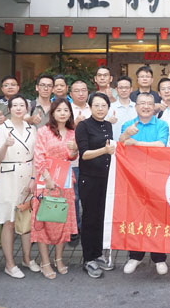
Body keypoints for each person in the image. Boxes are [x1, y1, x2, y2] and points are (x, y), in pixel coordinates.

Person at [120, 92, 169, 275]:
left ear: (154, 106)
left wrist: (136, 142)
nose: (146, 106)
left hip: (157, 177)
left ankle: (159, 258)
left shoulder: (162, 125)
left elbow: (161, 145)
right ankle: (135, 256)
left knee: (158, 217)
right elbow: (122, 145)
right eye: (142, 103)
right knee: (135, 217)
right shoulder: (128, 125)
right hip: (134, 178)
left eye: (149, 103)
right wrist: (126, 135)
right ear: (136, 106)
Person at [0, 95, 39, 279]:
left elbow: (36, 156)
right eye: (15, 105)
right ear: (9, 108)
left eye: (22, 105)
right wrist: (5, 145)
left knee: (26, 219)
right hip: (9, 176)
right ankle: (9, 264)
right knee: (9, 221)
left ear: (27, 108)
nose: (18, 108)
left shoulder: (31, 128)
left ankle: (27, 258)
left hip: (28, 175)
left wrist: (33, 179)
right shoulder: (2, 129)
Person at [31, 98, 79, 280]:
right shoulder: (43, 131)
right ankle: (45, 262)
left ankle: (59, 259)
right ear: (52, 113)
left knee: (62, 220)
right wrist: (48, 179)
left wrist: (75, 150)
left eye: (66, 110)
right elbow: (39, 157)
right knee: (44, 220)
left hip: (65, 182)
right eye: (59, 110)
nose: (62, 113)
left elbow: (71, 157)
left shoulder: (72, 132)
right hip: (46, 182)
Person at [75, 93, 115, 279]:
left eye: (103, 105)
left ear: (108, 108)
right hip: (89, 179)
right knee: (89, 219)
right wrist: (104, 150)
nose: (100, 109)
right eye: (96, 105)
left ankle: (98, 254)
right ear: (90, 107)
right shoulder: (83, 126)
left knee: (101, 218)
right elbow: (84, 154)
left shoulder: (108, 125)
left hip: (105, 179)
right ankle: (88, 259)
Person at [69, 79, 92, 244]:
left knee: (89, 196)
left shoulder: (94, 108)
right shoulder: (66, 109)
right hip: (72, 162)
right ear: (70, 94)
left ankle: (87, 227)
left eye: (83, 90)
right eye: (77, 90)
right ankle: (74, 228)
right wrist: (74, 124)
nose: (81, 93)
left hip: (91, 160)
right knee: (74, 197)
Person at [108, 75, 137, 141]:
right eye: (121, 88)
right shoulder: (110, 108)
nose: (124, 90)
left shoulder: (137, 107)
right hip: (116, 144)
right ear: (116, 90)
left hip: (134, 144)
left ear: (131, 89)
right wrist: (108, 121)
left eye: (126, 87)